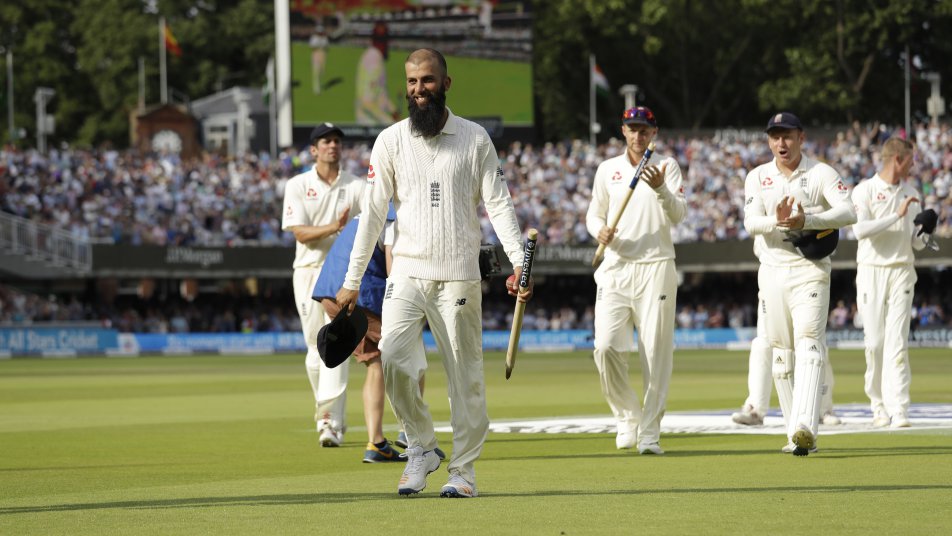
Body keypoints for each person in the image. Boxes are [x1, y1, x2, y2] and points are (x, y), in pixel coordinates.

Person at [336, 48, 532, 498]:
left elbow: (497, 203)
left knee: (466, 376)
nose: (418, 90)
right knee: (392, 358)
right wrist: (351, 280)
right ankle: (422, 447)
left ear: (446, 83)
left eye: (427, 81)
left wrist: (520, 261)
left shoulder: (476, 138)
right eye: (411, 82)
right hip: (406, 271)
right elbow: (371, 215)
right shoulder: (389, 141)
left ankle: (462, 471)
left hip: (460, 274)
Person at [743, 112, 856, 456]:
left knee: (809, 343)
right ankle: (795, 434)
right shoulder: (757, 177)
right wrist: (779, 224)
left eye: (788, 136)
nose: (781, 143)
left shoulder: (821, 173)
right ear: (768, 141)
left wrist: (809, 219)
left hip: (810, 269)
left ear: (801, 137)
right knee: (781, 353)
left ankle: (807, 424)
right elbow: (750, 222)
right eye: (775, 136)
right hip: (772, 269)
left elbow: (849, 211)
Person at [585, 106, 687, 455]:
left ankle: (649, 432)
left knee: (656, 353)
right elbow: (593, 213)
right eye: (632, 129)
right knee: (606, 348)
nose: (638, 135)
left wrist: (661, 189)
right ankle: (628, 416)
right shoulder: (607, 169)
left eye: (644, 129)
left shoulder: (666, 166)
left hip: (656, 265)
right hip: (615, 265)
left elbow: (679, 214)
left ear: (653, 133)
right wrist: (598, 230)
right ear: (623, 131)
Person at [281, 123, 366, 448]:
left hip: (340, 275)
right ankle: (329, 418)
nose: (333, 145)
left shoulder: (356, 186)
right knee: (315, 347)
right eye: (326, 141)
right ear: (314, 149)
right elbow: (300, 232)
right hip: (307, 269)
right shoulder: (298, 184)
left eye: (337, 141)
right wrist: (335, 227)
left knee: (336, 345)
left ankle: (328, 420)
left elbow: (373, 218)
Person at [852, 137, 937, 429]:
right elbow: (860, 231)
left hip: (902, 269)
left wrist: (926, 231)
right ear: (897, 159)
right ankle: (877, 405)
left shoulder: (911, 193)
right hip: (871, 270)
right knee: (875, 342)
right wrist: (895, 215)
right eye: (910, 161)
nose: (913, 166)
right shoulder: (865, 190)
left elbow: (915, 243)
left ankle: (899, 407)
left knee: (897, 342)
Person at [312, 206, 403, 462]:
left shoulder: (368, 210)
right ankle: (412, 435)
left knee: (375, 362)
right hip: (360, 295)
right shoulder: (397, 214)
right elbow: (393, 269)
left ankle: (376, 443)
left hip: (329, 292)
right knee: (410, 351)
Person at [355, 21, 398, 125]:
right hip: (370, 124)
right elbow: (366, 102)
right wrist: (390, 122)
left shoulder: (375, 57)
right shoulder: (373, 58)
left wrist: (393, 110)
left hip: (376, 124)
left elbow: (379, 92)